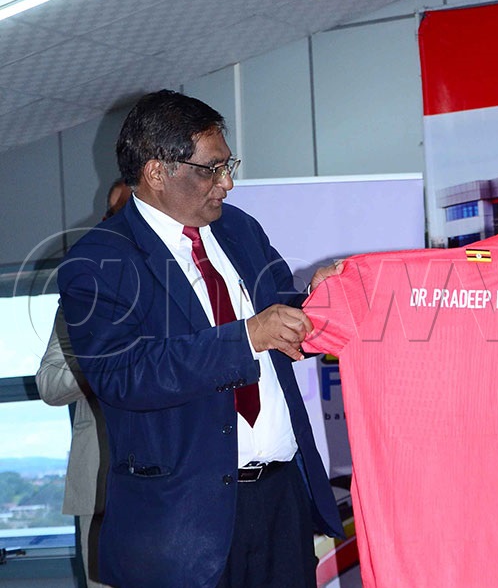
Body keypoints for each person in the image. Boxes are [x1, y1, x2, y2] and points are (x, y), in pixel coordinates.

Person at [56, 90, 342, 588]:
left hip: (281, 501)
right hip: (180, 522)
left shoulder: (240, 229)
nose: (227, 183)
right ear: (157, 172)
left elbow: (280, 310)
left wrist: (322, 300)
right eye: (212, 169)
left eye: (228, 165)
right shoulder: (99, 259)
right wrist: (247, 338)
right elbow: (123, 375)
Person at [35, 178, 131, 588]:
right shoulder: (84, 294)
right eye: (113, 212)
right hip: (101, 491)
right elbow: (49, 384)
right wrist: (109, 362)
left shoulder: (190, 288)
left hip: (188, 490)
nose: (116, 221)